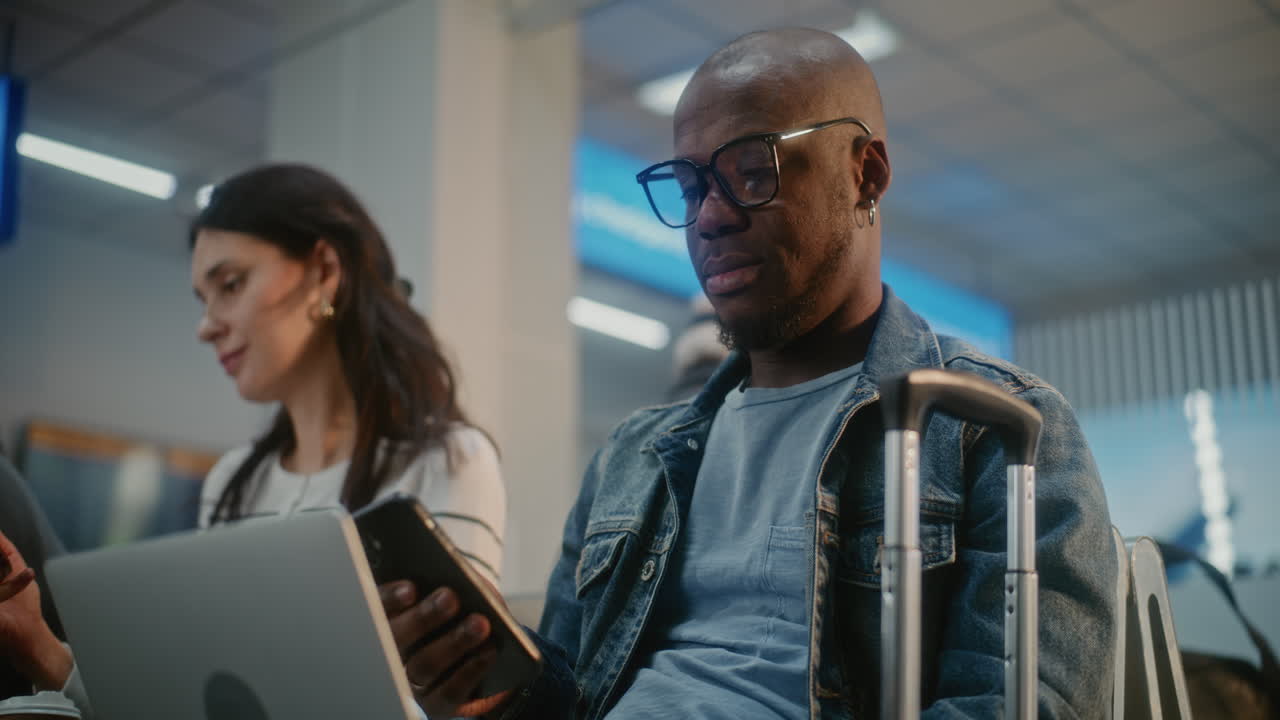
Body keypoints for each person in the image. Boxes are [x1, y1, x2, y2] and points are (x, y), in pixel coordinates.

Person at [381, 28, 1116, 719]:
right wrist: (493, 683)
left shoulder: (995, 429)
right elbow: (575, 695)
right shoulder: (634, 458)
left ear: (867, 175)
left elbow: (1021, 702)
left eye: (752, 172)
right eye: (690, 187)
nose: (708, 217)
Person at [0, 164, 506, 719]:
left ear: (324, 271)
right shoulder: (234, 480)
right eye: (203, 298)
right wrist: (41, 649)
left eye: (231, 285)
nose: (206, 325)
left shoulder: (449, 460)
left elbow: (458, 701)